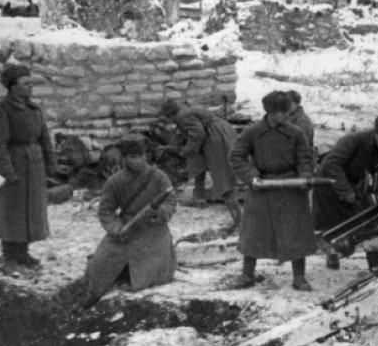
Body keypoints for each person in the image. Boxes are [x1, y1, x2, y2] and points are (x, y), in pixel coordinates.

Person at [229, 91, 316, 291]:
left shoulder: (296, 132)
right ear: (270, 112)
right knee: (254, 233)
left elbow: (305, 158)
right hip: (262, 187)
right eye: (282, 111)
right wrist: (252, 177)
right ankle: (247, 274)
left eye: (287, 110)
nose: (286, 114)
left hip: (290, 187)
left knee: (296, 232)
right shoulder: (252, 132)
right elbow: (237, 157)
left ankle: (299, 277)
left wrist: (304, 176)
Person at [81, 134, 176, 309]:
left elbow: (170, 202)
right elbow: (106, 210)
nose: (138, 161)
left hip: (153, 230)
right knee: (97, 267)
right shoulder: (115, 181)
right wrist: (117, 228)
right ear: (124, 158)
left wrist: (159, 213)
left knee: (152, 273)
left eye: (141, 156)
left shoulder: (159, 177)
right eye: (133, 157)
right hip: (126, 230)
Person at [0, 64, 55, 268]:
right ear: (12, 87)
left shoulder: (35, 109)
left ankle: (23, 253)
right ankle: (10, 256)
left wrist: (51, 166)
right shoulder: (0, 110)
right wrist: (6, 172)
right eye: (25, 83)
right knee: (10, 211)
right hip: (13, 163)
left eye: (31, 82)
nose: (30, 86)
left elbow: (45, 139)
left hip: (33, 165)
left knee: (30, 211)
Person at [312, 115, 378, 273]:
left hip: (352, 182)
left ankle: (374, 261)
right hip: (328, 183)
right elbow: (332, 164)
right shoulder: (352, 140)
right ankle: (332, 252)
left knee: (369, 218)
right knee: (332, 224)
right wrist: (347, 192)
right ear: (376, 133)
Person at [159, 99, 241, 230]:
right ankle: (202, 199)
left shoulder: (182, 116)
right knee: (205, 166)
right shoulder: (186, 111)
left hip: (216, 138)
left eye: (166, 119)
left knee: (223, 178)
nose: (168, 122)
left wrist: (186, 151)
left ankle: (239, 221)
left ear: (170, 115)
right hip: (218, 133)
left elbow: (197, 133)